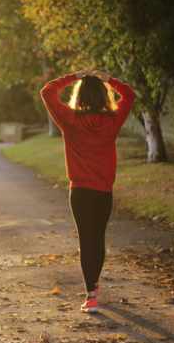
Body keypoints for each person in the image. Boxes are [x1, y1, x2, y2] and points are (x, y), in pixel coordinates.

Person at [40, 69, 136, 313]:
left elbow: (47, 91)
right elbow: (130, 94)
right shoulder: (112, 120)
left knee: (86, 239)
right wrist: (108, 78)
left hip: (80, 192)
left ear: (79, 95)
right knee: (98, 238)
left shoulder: (69, 120)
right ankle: (94, 287)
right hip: (103, 191)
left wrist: (74, 76)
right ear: (104, 96)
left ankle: (91, 294)